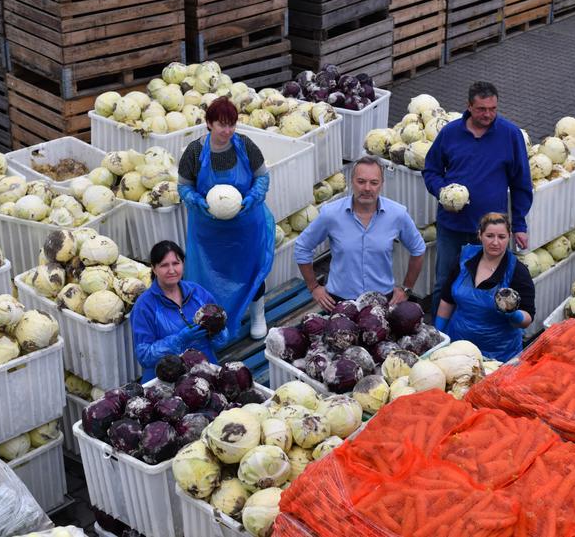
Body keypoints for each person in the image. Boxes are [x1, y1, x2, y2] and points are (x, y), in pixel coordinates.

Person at [422, 81, 533, 315]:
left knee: (490, 286)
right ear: (469, 106)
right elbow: (430, 170)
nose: (488, 114)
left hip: (490, 232)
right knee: (445, 282)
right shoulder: (450, 133)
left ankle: (478, 334)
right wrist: (442, 191)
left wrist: (520, 224)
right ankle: (438, 334)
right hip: (452, 227)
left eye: (493, 109)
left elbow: (521, 183)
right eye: (482, 109)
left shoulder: (510, 134)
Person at [178, 97, 274, 340]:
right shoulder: (195, 151)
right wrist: (195, 201)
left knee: (251, 270)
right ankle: (215, 321)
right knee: (211, 275)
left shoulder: (245, 145)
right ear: (209, 123)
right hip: (209, 232)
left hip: (246, 226)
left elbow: (262, 177)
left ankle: (257, 315)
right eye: (222, 125)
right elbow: (184, 187)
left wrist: (254, 196)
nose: (227, 131)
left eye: (232, 124)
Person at [295, 156, 425, 311]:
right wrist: (314, 287)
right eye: (361, 181)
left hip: (382, 303)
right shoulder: (331, 214)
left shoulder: (397, 214)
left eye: (374, 182)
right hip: (339, 302)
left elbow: (418, 249)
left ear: (381, 185)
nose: (367, 188)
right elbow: (302, 247)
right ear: (352, 182)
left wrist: (406, 289)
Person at [434, 213, 535, 362]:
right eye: (489, 236)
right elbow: (447, 300)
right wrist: (439, 335)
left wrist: (514, 314)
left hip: (497, 355)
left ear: (509, 237)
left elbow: (529, 316)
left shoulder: (517, 271)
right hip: (458, 347)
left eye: (501, 237)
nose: (495, 242)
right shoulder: (464, 258)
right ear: (480, 235)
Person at [131, 241, 231, 383]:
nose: (171, 270)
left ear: (183, 263)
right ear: (153, 268)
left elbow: (222, 342)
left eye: (176, 263)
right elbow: (145, 356)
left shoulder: (198, 293)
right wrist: (179, 340)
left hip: (205, 371)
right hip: (166, 379)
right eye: (164, 265)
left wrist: (217, 330)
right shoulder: (144, 306)